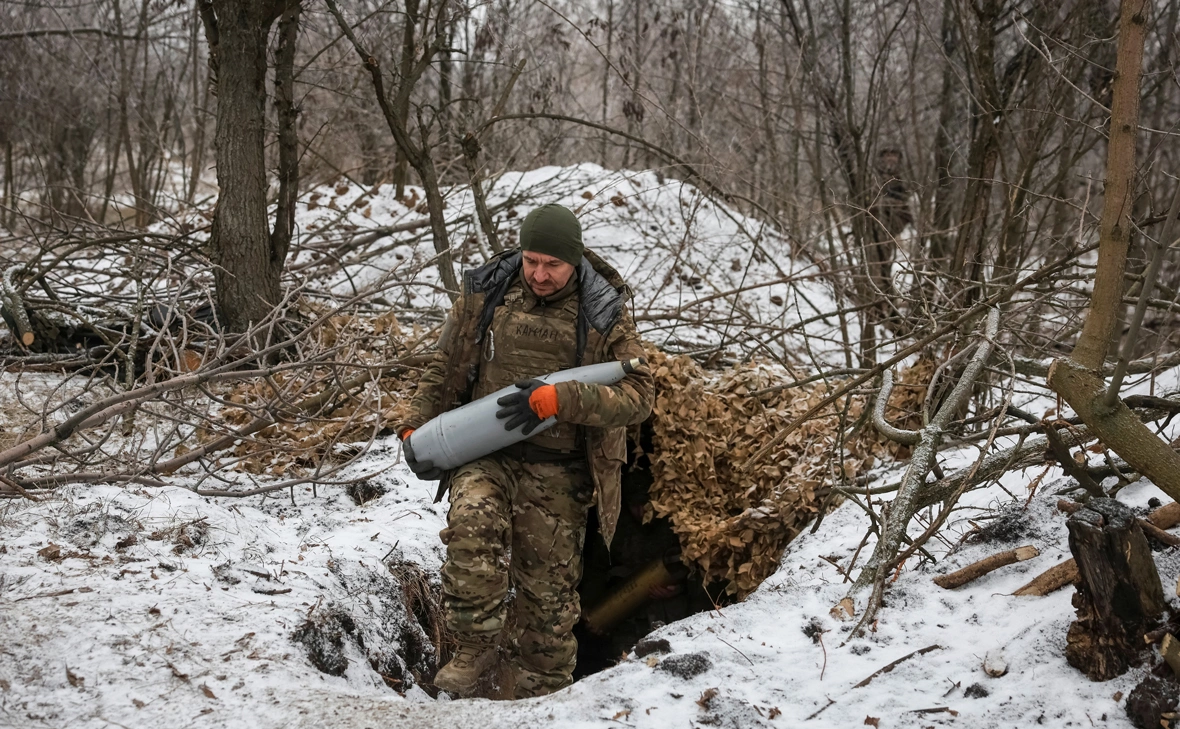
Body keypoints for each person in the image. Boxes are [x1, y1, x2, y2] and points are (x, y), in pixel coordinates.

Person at [395, 203, 653, 699]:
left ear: (574, 261)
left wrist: (565, 398)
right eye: (532, 260)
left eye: (552, 265)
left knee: (548, 601)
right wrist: (413, 422)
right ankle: (472, 648)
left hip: (561, 469)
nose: (539, 274)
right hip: (486, 452)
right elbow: (442, 364)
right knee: (471, 525)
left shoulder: (603, 310)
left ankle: (545, 693)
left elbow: (640, 395)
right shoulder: (488, 292)